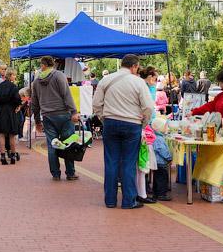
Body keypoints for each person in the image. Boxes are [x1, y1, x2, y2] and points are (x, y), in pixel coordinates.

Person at [93, 55, 155, 208]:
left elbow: (96, 104)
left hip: (110, 123)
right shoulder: (139, 82)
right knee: (129, 163)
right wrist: (143, 123)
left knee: (111, 162)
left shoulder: (106, 80)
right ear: (134, 66)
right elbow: (148, 107)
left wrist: (104, 119)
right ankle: (129, 201)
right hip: (132, 124)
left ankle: (110, 201)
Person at [33, 56, 79, 181]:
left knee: (52, 144)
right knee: (68, 143)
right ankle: (70, 173)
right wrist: (74, 111)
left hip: (47, 116)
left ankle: (55, 174)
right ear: (53, 64)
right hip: (64, 115)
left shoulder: (36, 81)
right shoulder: (59, 75)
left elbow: (35, 103)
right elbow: (66, 94)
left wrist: (37, 121)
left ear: (43, 65)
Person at [190, 69, 223, 141]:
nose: (219, 83)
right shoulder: (222, 94)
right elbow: (210, 106)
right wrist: (194, 112)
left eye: (220, 81)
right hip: (221, 130)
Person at [0, 69, 22, 163]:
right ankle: (12, 156)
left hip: (0, 112)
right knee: (12, 135)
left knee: (1, 134)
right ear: (10, 75)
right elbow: (17, 100)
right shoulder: (14, 87)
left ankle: (3, 156)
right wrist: (18, 106)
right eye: (14, 75)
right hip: (11, 112)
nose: (15, 77)